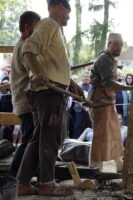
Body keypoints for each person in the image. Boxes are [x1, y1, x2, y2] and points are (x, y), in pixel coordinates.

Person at [17, 0, 84, 196]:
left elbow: (55, 66)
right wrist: (37, 73)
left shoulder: (55, 30)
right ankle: (47, 183)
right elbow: (27, 49)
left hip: (50, 92)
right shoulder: (48, 24)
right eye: (68, 13)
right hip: (48, 93)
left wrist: (73, 84)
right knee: (49, 140)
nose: (69, 17)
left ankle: (22, 183)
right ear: (60, 7)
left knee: (39, 138)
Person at [89, 33, 133, 172]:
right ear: (109, 44)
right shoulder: (104, 59)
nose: (118, 48)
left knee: (114, 133)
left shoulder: (110, 59)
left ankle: (120, 165)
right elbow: (108, 82)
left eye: (121, 45)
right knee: (100, 136)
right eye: (115, 44)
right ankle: (94, 170)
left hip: (107, 101)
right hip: (99, 102)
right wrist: (129, 88)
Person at [8, 11, 41, 179]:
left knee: (30, 137)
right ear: (27, 28)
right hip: (25, 101)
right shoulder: (24, 48)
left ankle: (21, 176)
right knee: (29, 139)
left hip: (24, 101)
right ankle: (15, 177)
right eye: (37, 28)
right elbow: (34, 74)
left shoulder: (21, 45)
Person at [72, 71, 92, 139]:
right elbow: (75, 98)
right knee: (78, 126)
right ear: (82, 77)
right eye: (85, 76)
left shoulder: (92, 86)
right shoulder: (78, 86)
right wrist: (83, 106)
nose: (87, 78)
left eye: (88, 77)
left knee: (90, 126)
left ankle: (88, 141)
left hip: (90, 110)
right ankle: (77, 141)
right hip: (79, 110)